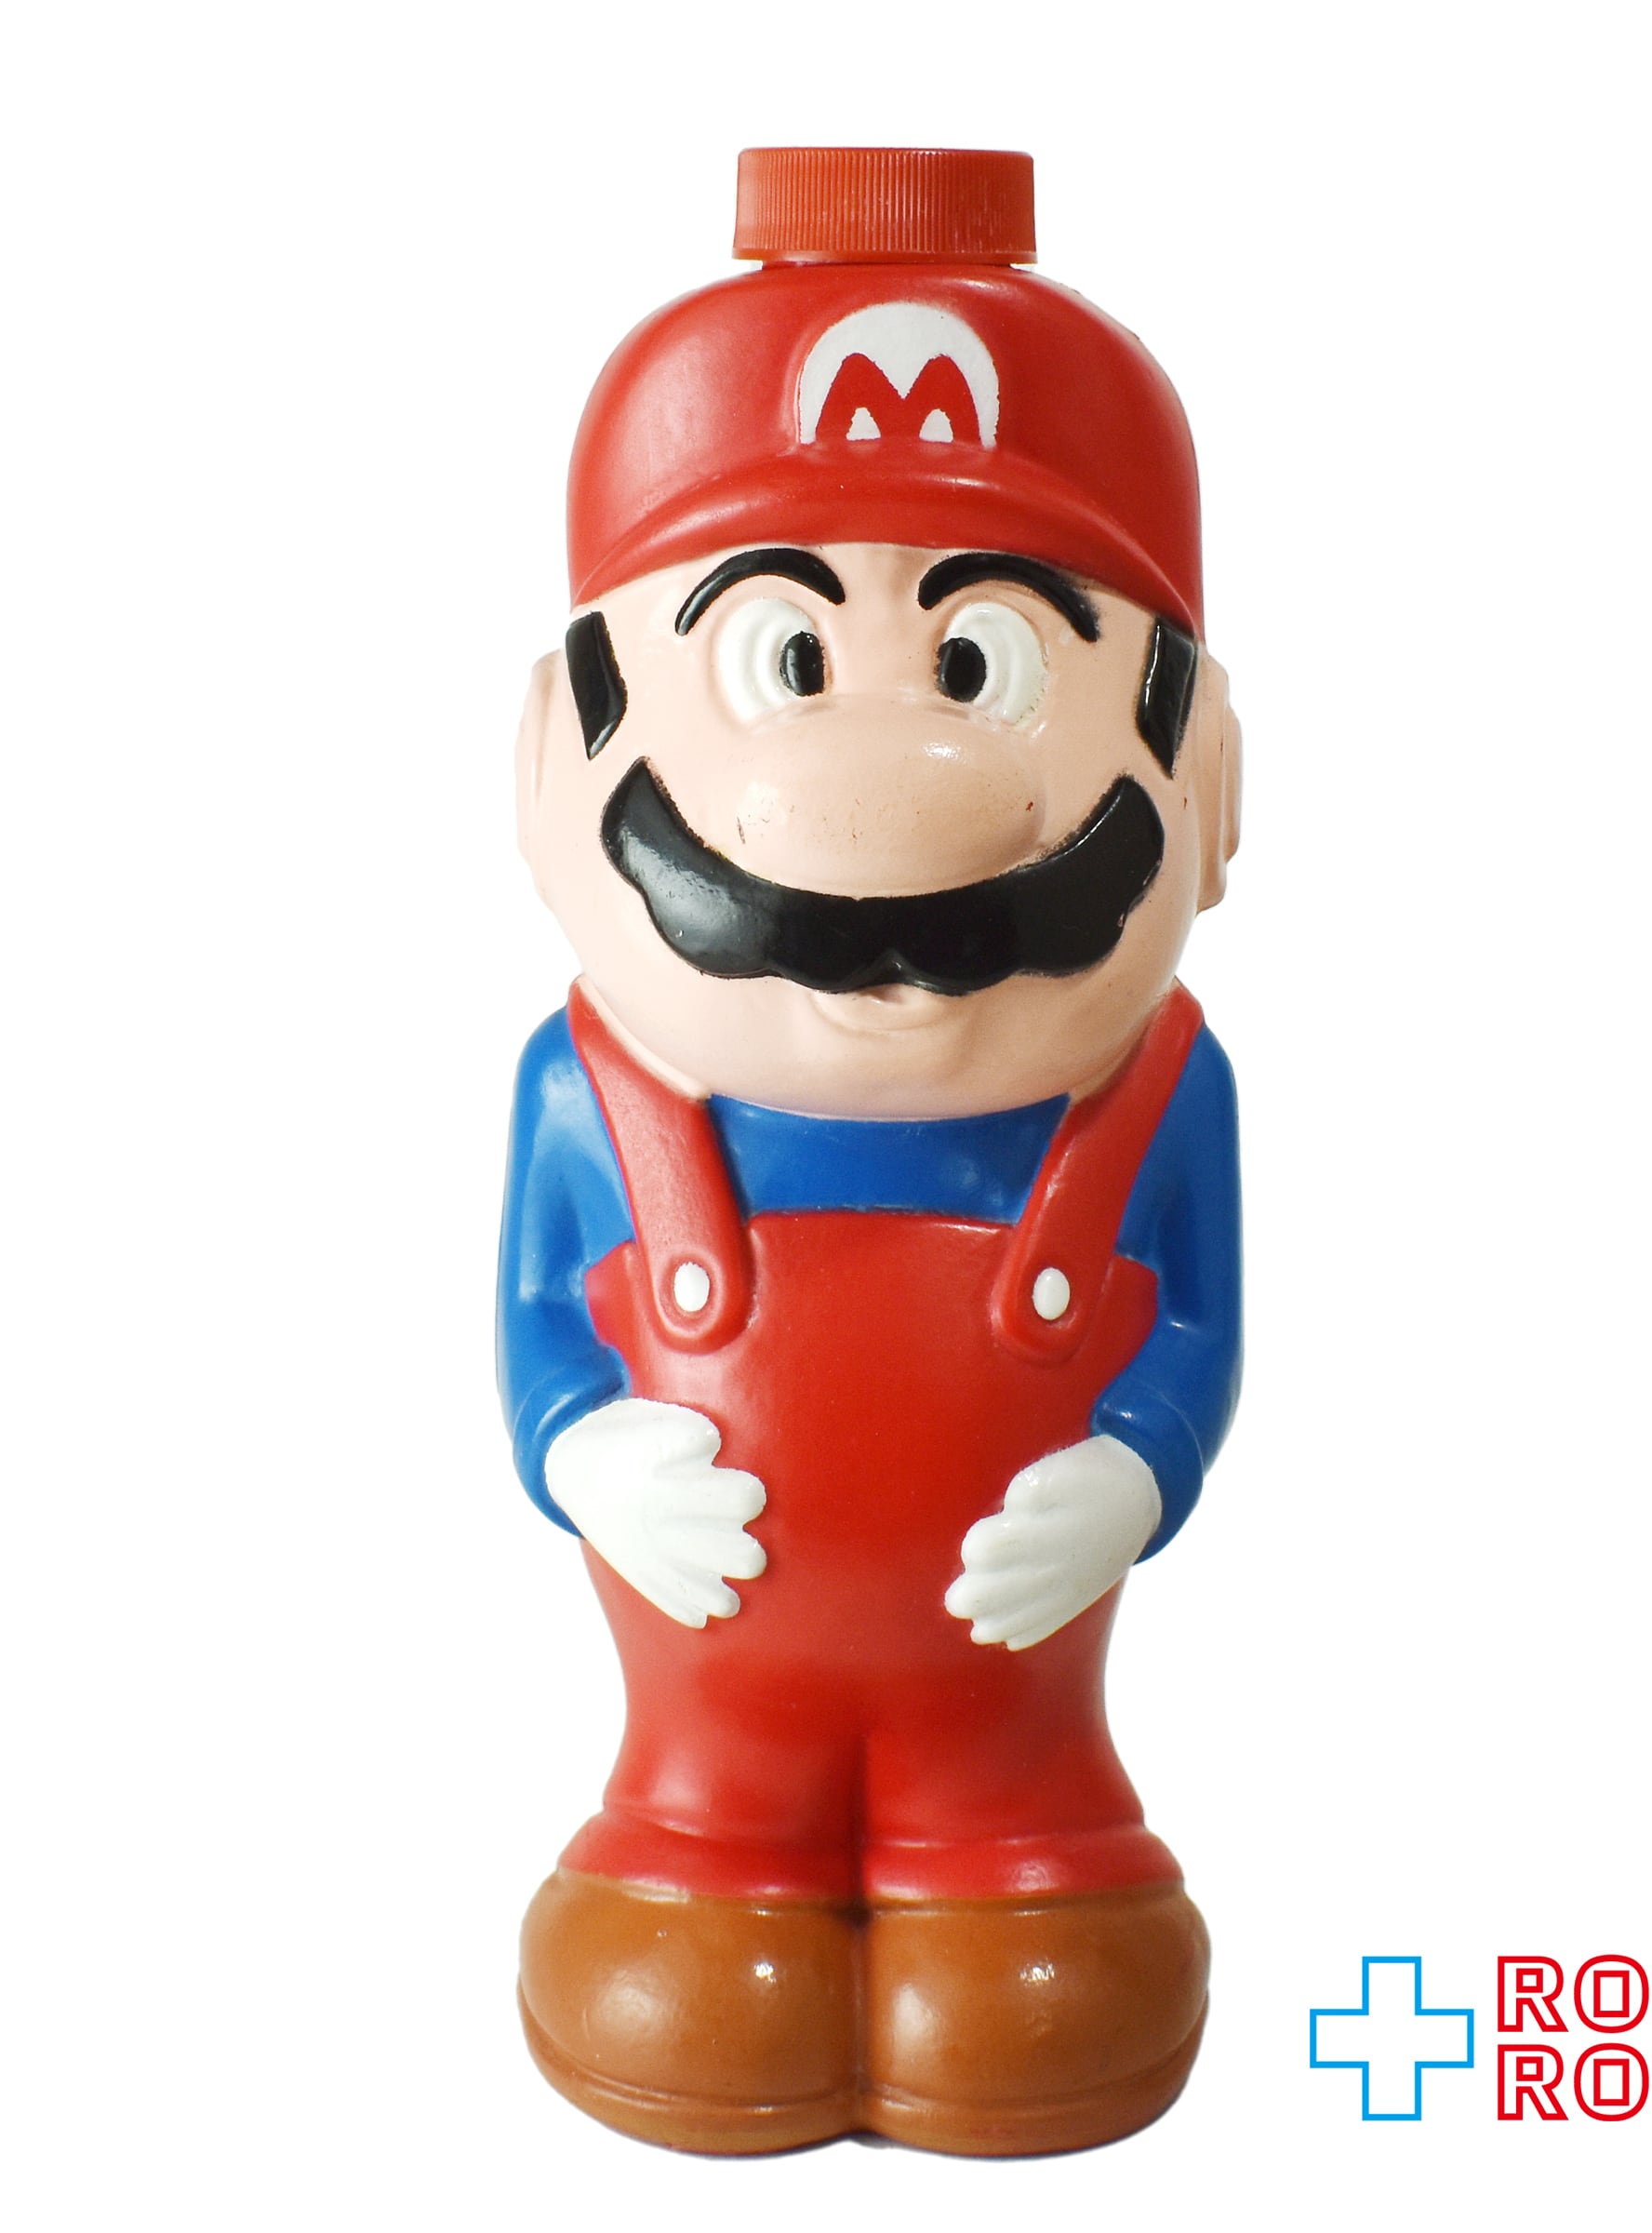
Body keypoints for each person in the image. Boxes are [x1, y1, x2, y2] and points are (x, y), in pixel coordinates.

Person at [497, 147, 1244, 2156]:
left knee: (1036, 1982)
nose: (890, 787)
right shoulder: (584, 1092)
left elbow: (1198, 1334)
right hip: (704, 1712)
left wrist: (1140, 1468)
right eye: (783, 656)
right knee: (680, 1953)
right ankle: (696, 1853)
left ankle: (1016, 1862)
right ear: (552, 758)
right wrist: (577, 1448)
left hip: (1018, 1702)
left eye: (989, 661)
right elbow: (538, 1328)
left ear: (1208, 768)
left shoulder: (1162, 1091)